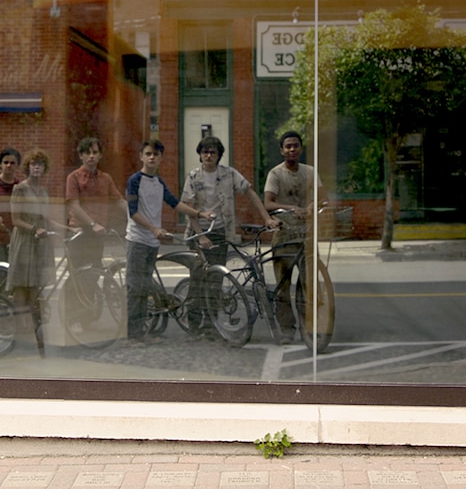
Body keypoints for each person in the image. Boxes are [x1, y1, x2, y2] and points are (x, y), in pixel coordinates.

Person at [181, 136, 280, 336]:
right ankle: (194, 323)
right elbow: (188, 208)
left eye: (213, 152)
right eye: (205, 152)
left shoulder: (228, 174)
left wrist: (266, 218)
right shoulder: (193, 177)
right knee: (198, 278)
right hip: (197, 233)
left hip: (218, 232)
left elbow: (250, 192)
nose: (208, 156)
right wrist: (200, 235)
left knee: (216, 279)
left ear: (219, 156)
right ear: (200, 154)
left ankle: (211, 325)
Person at [125, 139, 214, 342]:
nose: (151, 157)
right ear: (141, 156)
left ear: (161, 158)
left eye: (156, 154)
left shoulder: (158, 182)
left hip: (152, 242)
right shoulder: (134, 181)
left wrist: (201, 214)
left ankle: (143, 332)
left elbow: (175, 204)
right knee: (135, 287)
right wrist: (154, 228)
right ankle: (133, 335)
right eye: (148, 154)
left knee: (145, 286)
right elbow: (133, 213)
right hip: (138, 240)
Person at [263, 131, 325, 344]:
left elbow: (321, 198)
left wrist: (312, 205)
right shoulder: (275, 174)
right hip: (283, 237)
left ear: (301, 148)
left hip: (306, 237)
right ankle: (287, 329)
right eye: (288, 146)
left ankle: (310, 328)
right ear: (282, 150)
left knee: (310, 285)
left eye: (295, 146)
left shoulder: (310, 172)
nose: (292, 149)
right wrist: (292, 208)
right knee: (283, 286)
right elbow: (268, 204)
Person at [6, 149, 56, 341]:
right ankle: (21, 325)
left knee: (35, 284)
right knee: (21, 285)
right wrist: (34, 229)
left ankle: (32, 323)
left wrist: (65, 229)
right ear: (28, 167)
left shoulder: (43, 191)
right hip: (25, 239)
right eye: (33, 164)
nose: (36, 167)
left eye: (40, 164)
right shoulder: (20, 189)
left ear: (44, 168)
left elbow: (47, 218)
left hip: (40, 242)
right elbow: (16, 219)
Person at [65, 137, 127, 270]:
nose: (91, 156)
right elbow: (74, 205)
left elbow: (119, 201)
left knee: (95, 270)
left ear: (100, 155)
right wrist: (92, 224)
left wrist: (135, 216)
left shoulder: (105, 178)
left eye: (95, 152)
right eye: (87, 153)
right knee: (77, 274)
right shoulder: (74, 177)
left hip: (98, 232)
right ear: (81, 156)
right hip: (80, 230)